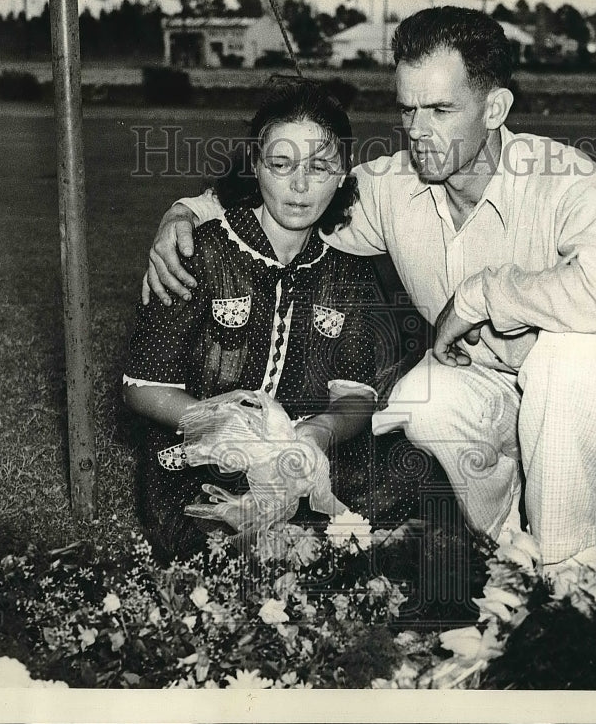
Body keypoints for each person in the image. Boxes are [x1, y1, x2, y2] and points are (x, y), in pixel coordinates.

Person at [141, 7, 596, 568]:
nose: (418, 131)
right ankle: (507, 540)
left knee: (569, 358)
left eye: (440, 110)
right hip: (492, 389)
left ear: (495, 108)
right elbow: (294, 187)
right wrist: (185, 212)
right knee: (425, 400)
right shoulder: (392, 185)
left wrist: (482, 295)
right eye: (408, 109)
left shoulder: (564, 174)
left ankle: (566, 566)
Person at [122, 81, 409, 561]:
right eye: (281, 165)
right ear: (255, 166)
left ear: (342, 174)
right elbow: (141, 386)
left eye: (319, 167)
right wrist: (226, 427)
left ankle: (312, 528)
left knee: (411, 471)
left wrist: (316, 434)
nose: (300, 186)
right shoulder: (201, 251)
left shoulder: (350, 265)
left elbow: (356, 394)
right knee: (218, 541)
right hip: (208, 449)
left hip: (305, 443)